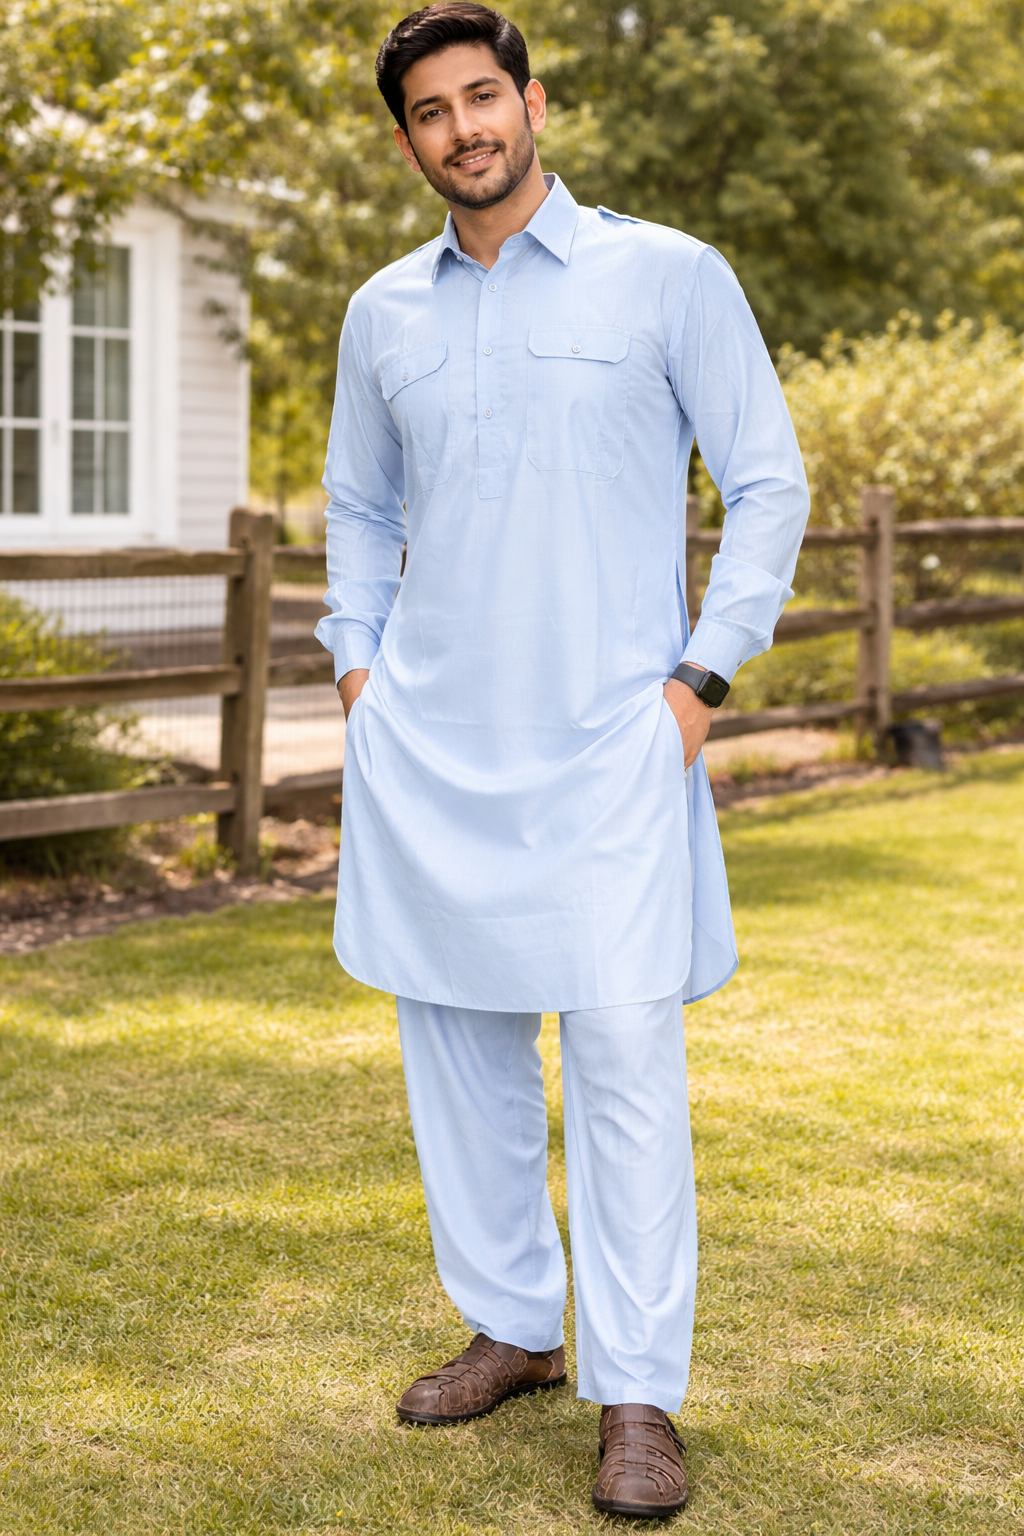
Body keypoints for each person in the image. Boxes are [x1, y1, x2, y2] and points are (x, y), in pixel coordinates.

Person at [315, 2, 809, 1518]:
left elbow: (769, 481)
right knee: (458, 1051)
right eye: (430, 112)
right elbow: (358, 507)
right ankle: (516, 1327)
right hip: (431, 746)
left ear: (533, 105)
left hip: (613, 744)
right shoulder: (381, 313)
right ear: (409, 141)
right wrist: (359, 673)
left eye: (483, 97)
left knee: (622, 1058)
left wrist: (699, 683)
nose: (462, 129)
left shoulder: (670, 275)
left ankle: (638, 1392)